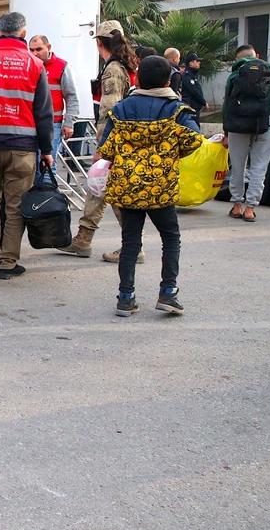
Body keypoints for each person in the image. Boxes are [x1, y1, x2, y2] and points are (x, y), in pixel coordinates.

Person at [99, 55, 207, 317]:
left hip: (128, 187)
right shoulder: (177, 111)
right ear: (168, 80)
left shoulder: (121, 109)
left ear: (137, 78)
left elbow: (106, 149)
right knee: (170, 237)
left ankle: (126, 298)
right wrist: (170, 152)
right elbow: (194, 140)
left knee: (130, 242)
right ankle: (168, 293)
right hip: (161, 188)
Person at [0, 12, 54, 279]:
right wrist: (46, 150)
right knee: (15, 206)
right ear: (23, 34)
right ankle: (8, 261)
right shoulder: (35, 64)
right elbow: (44, 112)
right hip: (22, 146)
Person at [56, 20, 138, 261]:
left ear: (99, 43)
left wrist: (103, 147)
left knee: (109, 192)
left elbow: (110, 109)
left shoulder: (112, 68)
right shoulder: (125, 65)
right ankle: (83, 240)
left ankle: (133, 246)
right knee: (98, 188)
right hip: (122, 139)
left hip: (113, 140)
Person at [222, 44, 270, 222]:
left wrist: (226, 131)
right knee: (259, 166)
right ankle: (250, 208)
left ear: (239, 59)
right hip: (265, 122)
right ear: (257, 55)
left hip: (237, 123)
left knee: (237, 165)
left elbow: (227, 103)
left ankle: (237, 205)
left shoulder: (236, 72)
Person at [29, 34, 80, 164]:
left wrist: (69, 123)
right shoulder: (28, 65)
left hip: (53, 124)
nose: (35, 53)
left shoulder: (62, 66)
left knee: (48, 166)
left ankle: (47, 185)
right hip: (30, 123)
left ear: (49, 47)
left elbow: (71, 96)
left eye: (39, 49)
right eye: (32, 50)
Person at [181, 53, 207, 121]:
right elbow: (193, 91)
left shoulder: (192, 75)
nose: (199, 63)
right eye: (197, 61)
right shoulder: (187, 76)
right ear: (191, 63)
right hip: (190, 107)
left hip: (195, 107)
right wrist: (203, 102)